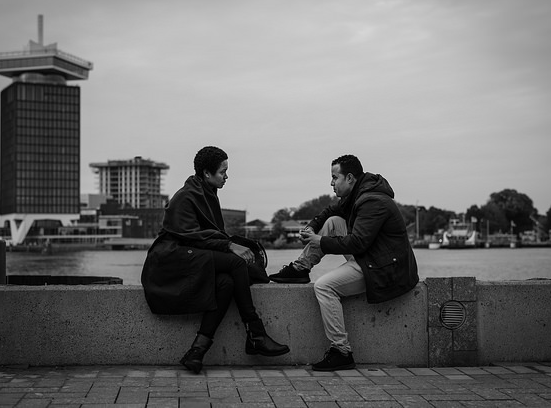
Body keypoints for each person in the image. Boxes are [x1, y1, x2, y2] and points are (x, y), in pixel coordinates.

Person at [141, 146, 289, 374]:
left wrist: (229, 244)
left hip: (191, 255)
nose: (226, 176)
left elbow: (208, 236)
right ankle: (256, 333)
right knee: (237, 263)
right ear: (206, 174)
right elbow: (191, 236)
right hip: (170, 259)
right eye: (222, 172)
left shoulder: (207, 193)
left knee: (226, 284)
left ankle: (196, 352)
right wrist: (229, 245)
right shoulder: (186, 196)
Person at [268, 154, 419, 371]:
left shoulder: (373, 201)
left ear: (349, 178)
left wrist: (320, 240)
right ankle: (301, 268)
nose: (331, 183)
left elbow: (357, 243)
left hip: (384, 268)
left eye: (334, 177)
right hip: (374, 257)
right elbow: (330, 212)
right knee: (333, 221)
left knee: (324, 286)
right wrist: (312, 227)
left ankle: (341, 351)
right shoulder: (357, 194)